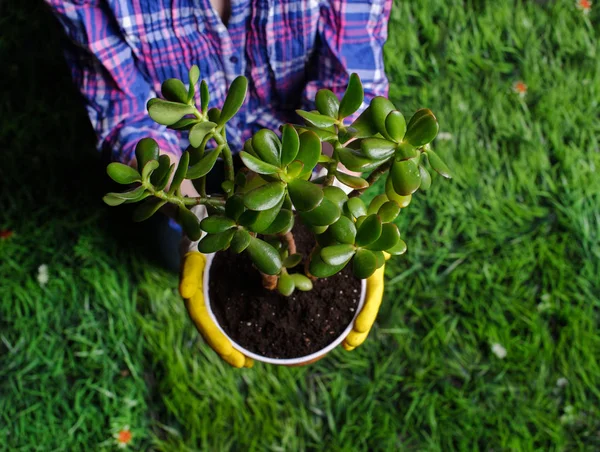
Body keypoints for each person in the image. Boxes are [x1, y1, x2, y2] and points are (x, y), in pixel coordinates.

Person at [47, 0, 392, 366]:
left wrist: (336, 191)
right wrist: (189, 209)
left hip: (301, 149)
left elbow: (351, 77)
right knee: (169, 248)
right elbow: (124, 110)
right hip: (187, 157)